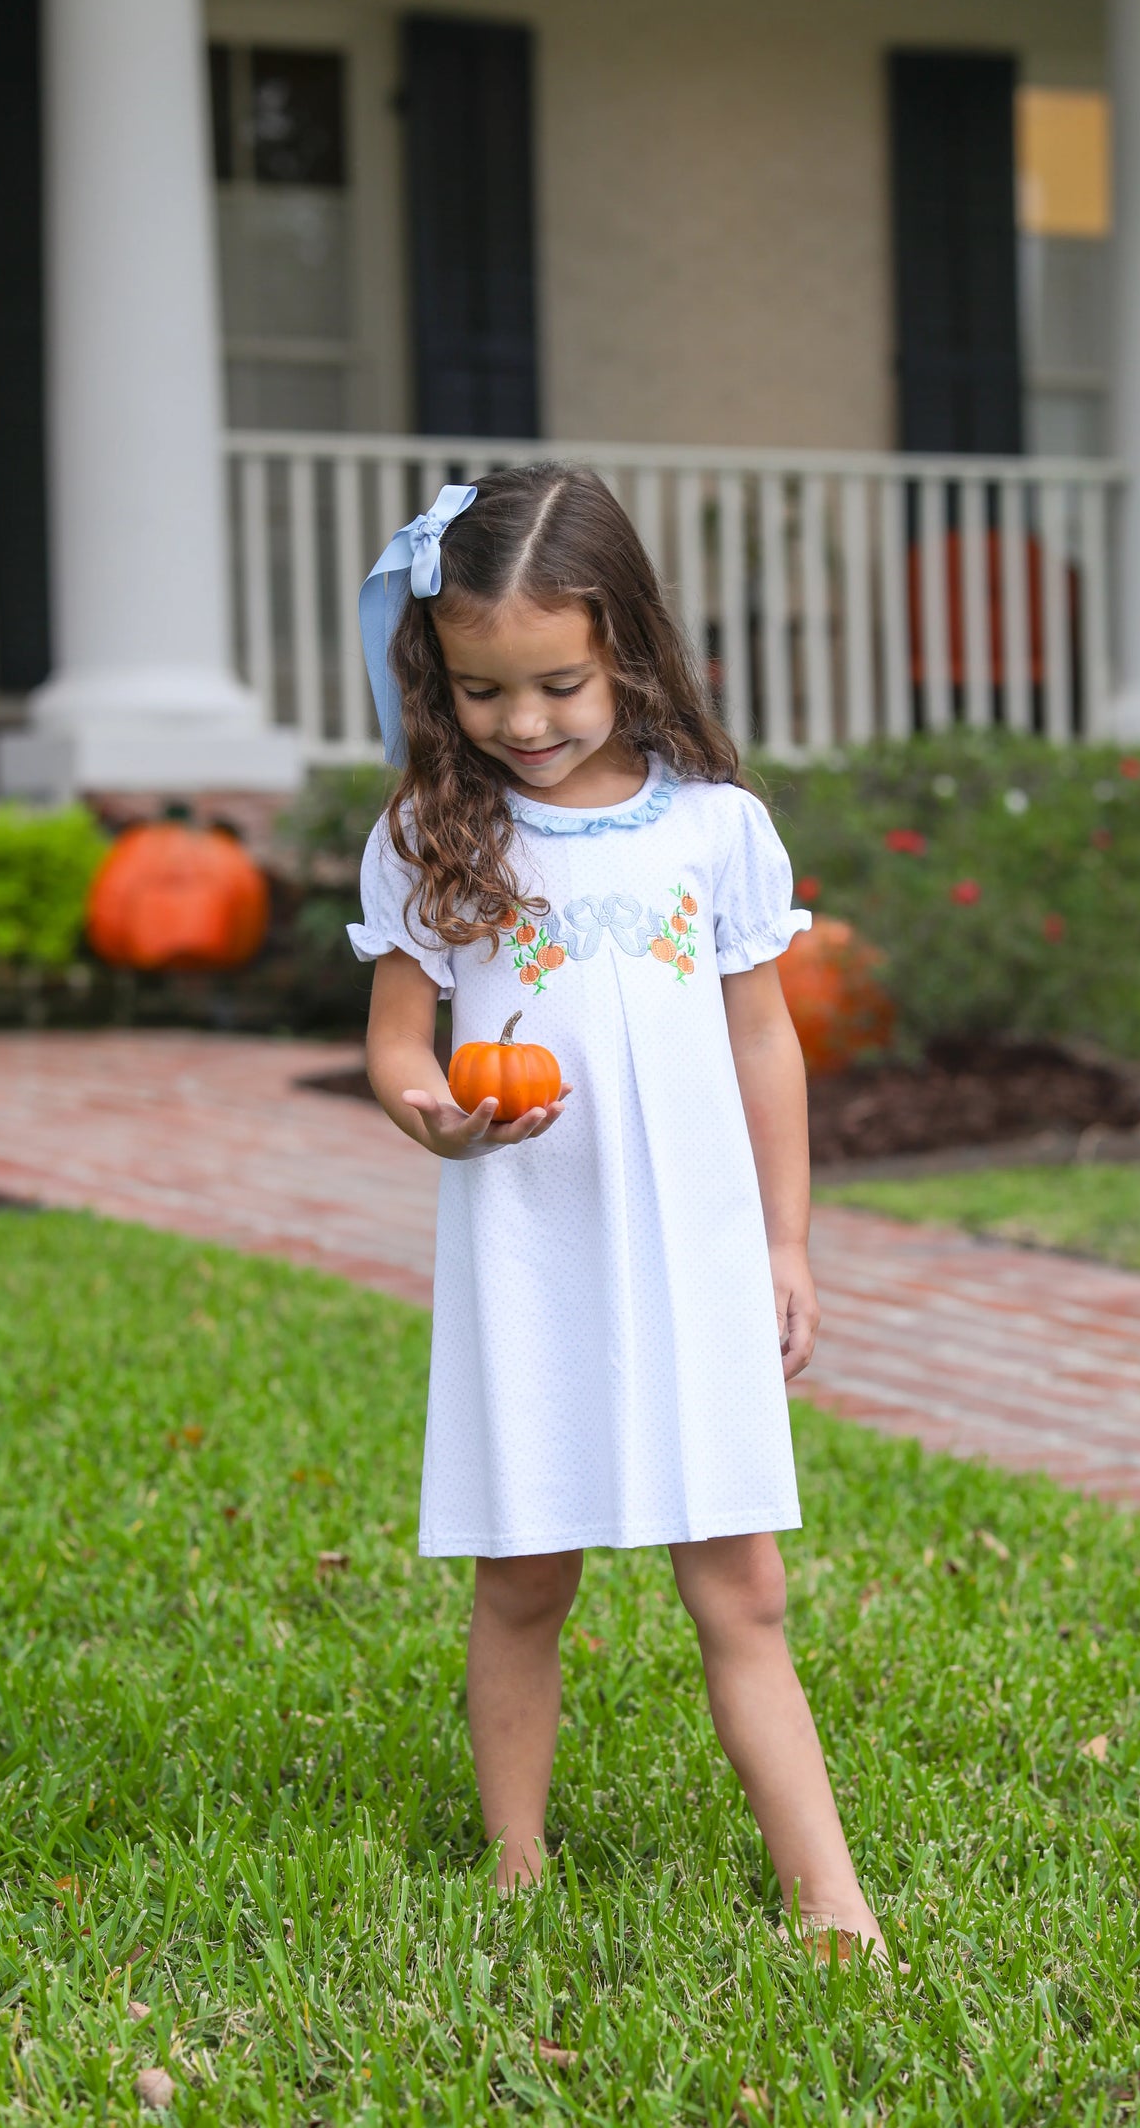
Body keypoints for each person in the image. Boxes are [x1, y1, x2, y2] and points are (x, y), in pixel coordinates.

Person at [348, 464, 884, 1959]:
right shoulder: (436, 833)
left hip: (696, 1247)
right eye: (481, 690)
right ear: (437, 679)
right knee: (525, 1572)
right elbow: (398, 1039)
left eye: (557, 684)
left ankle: (827, 1900)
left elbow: (763, 1039)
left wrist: (784, 1239)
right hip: (531, 1242)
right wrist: (434, 1116)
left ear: (627, 647)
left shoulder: (711, 827)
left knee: (743, 1584)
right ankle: (515, 1867)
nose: (520, 722)